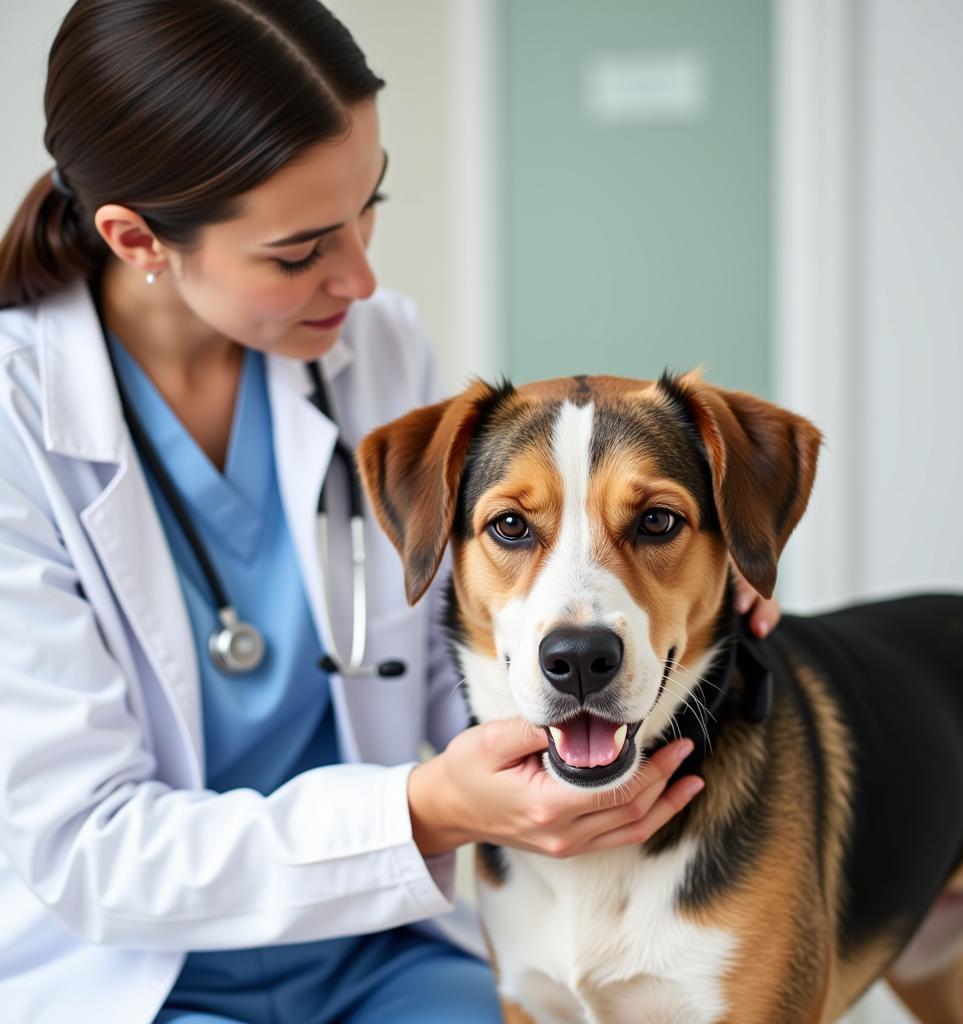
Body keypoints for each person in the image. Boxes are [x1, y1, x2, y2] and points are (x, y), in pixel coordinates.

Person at [0, 2, 781, 1022]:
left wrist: (658, 600)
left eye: (372, 204)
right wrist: (428, 810)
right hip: (138, 971)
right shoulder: (21, 423)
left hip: (379, 949)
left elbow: (458, 658)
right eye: (298, 250)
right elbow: (86, 849)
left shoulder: (367, 344)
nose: (361, 277)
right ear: (136, 236)